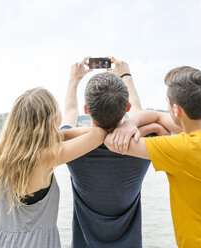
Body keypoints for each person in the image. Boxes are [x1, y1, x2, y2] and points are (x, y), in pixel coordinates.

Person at [105, 66, 201, 247]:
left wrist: (150, 128)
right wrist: (133, 122)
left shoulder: (182, 149)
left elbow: (112, 142)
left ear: (177, 110)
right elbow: (157, 115)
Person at [61, 57, 168, 247]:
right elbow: (139, 113)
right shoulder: (143, 147)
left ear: (87, 110)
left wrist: (73, 80)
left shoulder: (70, 146)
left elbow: (69, 112)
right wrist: (126, 76)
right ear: (125, 108)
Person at [0, 87, 107, 248]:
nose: (60, 111)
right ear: (48, 120)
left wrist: (74, 82)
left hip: (0, 242)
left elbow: (69, 119)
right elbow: (98, 134)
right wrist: (59, 134)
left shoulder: (8, 150)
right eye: (56, 107)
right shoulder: (45, 157)